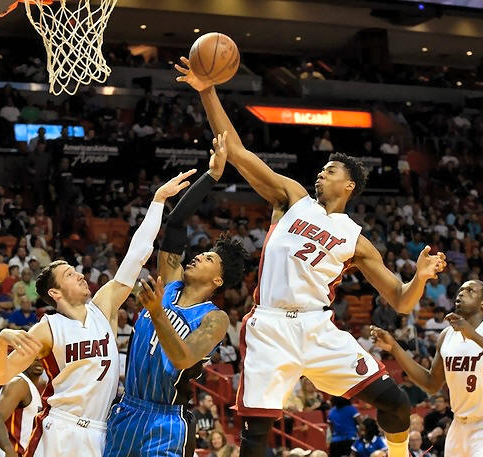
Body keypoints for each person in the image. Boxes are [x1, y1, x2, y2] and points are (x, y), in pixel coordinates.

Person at [176, 58, 447, 457]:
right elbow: (235, 150)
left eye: (330, 170)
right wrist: (207, 90)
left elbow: (402, 301)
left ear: (349, 185)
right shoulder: (292, 199)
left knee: (396, 402)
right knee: (255, 437)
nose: (321, 173)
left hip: (318, 328)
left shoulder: (355, 239)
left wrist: (419, 278)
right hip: (270, 325)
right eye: (322, 169)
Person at [0, 170, 195, 457]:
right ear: (55, 293)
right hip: (59, 429)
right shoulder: (48, 328)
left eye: (77, 271)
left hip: (100, 431)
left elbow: (136, 255)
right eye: (69, 274)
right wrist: (2, 340)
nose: (80, 275)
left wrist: (158, 201)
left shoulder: (103, 307)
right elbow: (0, 376)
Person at [103, 133, 247, 457]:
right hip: (126, 410)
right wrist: (211, 176)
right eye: (201, 253)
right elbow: (177, 223)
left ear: (218, 280)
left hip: (166, 422)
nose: (197, 257)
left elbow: (183, 358)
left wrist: (157, 312)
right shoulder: (170, 282)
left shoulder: (215, 318)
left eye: (208, 258)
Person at [371, 279, 483, 457]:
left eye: (470, 291)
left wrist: (473, 335)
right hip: (458, 425)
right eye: (461, 290)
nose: (461, 293)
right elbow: (431, 384)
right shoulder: (446, 335)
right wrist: (394, 348)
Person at [0, 360, 44, 457]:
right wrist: (10, 451)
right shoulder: (19, 383)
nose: (38, 359)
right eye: (33, 355)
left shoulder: (33, 387)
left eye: (41, 354)